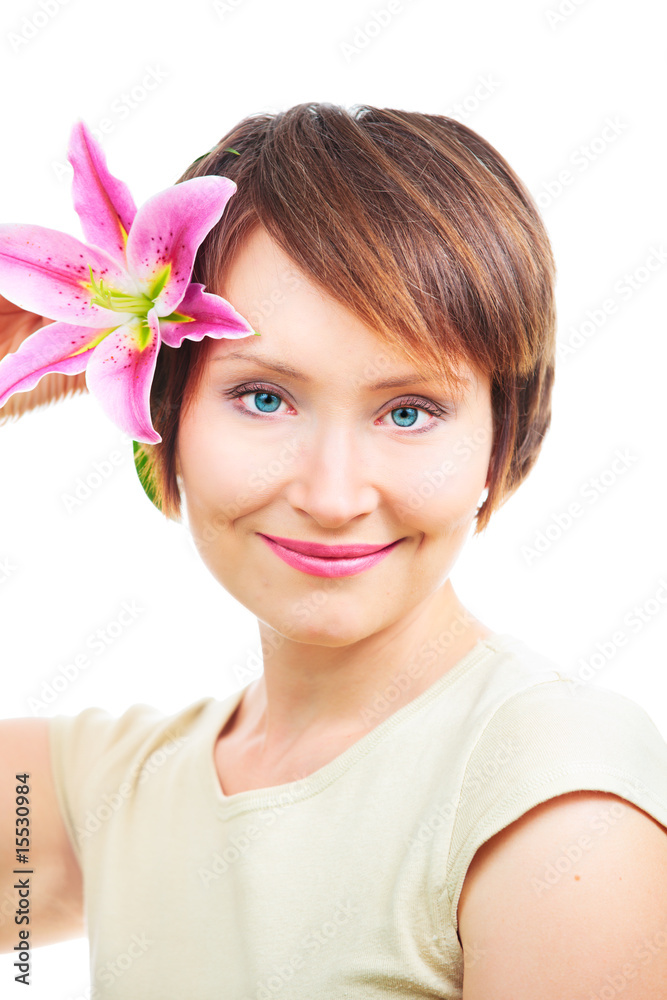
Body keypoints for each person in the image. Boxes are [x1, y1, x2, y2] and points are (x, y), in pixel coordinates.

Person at [1, 102, 667, 999]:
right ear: (165, 417)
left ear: (502, 439)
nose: (331, 493)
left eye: (409, 411)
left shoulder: (555, 795)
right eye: (264, 398)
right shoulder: (111, 791)